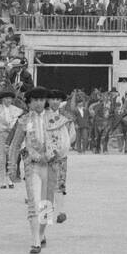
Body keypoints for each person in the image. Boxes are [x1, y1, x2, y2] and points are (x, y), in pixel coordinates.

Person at [5, 87, 69, 254]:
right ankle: (35, 241)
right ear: (30, 102)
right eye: (36, 100)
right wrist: (11, 167)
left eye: (42, 100)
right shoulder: (24, 120)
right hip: (32, 166)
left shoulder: (56, 119)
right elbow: (15, 145)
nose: (39, 103)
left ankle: (41, 234)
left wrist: (56, 153)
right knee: (34, 203)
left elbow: (64, 143)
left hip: (50, 165)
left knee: (46, 204)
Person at [44, 88, 76, 226]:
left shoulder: (66, 116)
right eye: (53, 99)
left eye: (58, 99)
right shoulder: (43, 115)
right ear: (48, 101)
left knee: (61, 183)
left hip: (62, 156)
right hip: (46, 156)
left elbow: (72, 133)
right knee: (45, 186)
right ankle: (45, 216)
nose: (55, 102)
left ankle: (60, 211)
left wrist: (66, 144)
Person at [0, 87, 24, 189]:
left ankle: (9, 179)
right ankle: (2, 180)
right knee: (1, 158)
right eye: (6, 98)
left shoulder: (17, 110)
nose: (8, 100)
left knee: (11, 158)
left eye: (9, 98)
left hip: (13, 136)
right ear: (2, 100)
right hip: (1, 136)